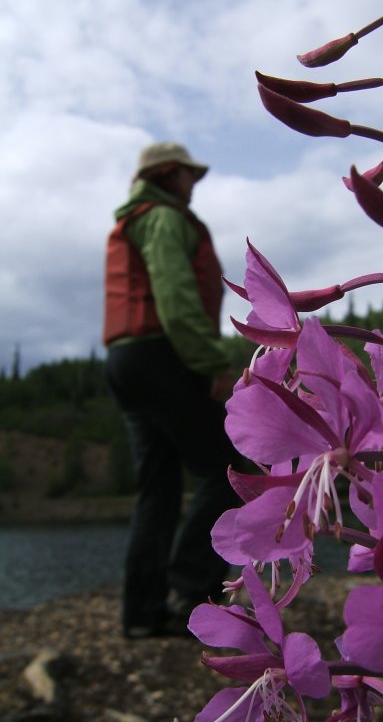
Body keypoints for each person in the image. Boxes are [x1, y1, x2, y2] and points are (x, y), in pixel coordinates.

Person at [103, 141, 239, 638]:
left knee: (157, 490)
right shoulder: (163, 219)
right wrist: (213, 364)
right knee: (232, 470)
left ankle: (142, 614)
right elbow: (177, 300)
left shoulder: (136, 218)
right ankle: (191, 596)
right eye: (187, 173)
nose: (193, 182)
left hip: (126, 359)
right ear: (165, 174)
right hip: (163, 354)